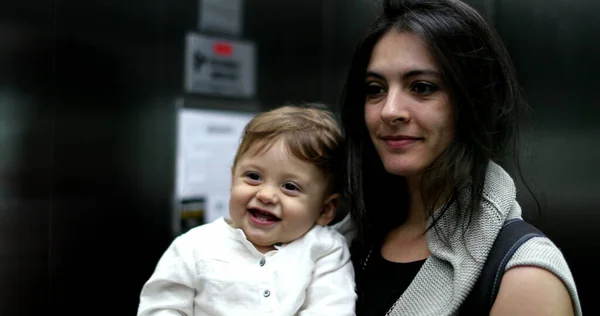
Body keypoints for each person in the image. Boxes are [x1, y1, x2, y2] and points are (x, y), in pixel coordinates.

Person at [335, 0, 582, 315]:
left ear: (471, 103)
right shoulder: (335, 246)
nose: (390, 110)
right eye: (375, 89)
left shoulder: (525, 279)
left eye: (422, 87)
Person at [137, 104, 356, 316]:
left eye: (290, 187)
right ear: (233, 180)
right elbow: (160, 307)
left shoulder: (324, 250)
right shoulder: (192, 247)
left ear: (325, 210)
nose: (265, 195)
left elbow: (332, 309)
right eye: (253, 177)